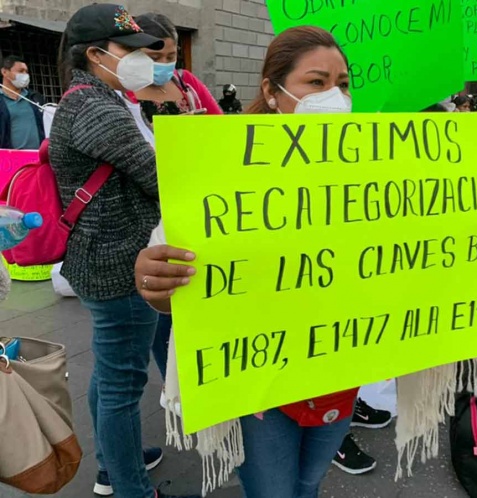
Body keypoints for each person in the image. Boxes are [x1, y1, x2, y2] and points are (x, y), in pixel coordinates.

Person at [134, 26, 370, 498]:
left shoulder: (374, 169)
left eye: (343, 84)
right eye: (317, 83)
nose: (335, 97)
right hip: (258, 381)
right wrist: (156, 284)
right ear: (272, 90)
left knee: (308, 482)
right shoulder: (218, 168)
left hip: (338, 368)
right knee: (274, 491)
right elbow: (178, 282)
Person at [49, 4, 200, 498]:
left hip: (107, 256)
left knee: (111, 373)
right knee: (121, 384)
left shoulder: (108, 98)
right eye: (129, 50)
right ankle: (131, 487)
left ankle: (116, 466)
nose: (144, 60)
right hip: (118, 264)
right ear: (95, 55)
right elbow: (164, 179)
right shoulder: (92, 105)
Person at [131, 12, 222, 414]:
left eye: (171, 53)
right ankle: (175, 384)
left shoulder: (187, 86)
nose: (166, 61)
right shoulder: (121, 97)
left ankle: (201, 376)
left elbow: (224, 135)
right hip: (144, 219)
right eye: (156, 53)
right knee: (158, 309)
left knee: (191, 296)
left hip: (191, 214)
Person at [0, 55, 45, 149]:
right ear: (4, 72)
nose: (25, 75)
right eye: (20, 71)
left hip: (37, 157)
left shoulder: (34, 98)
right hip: (9, 158)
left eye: (26, 72)